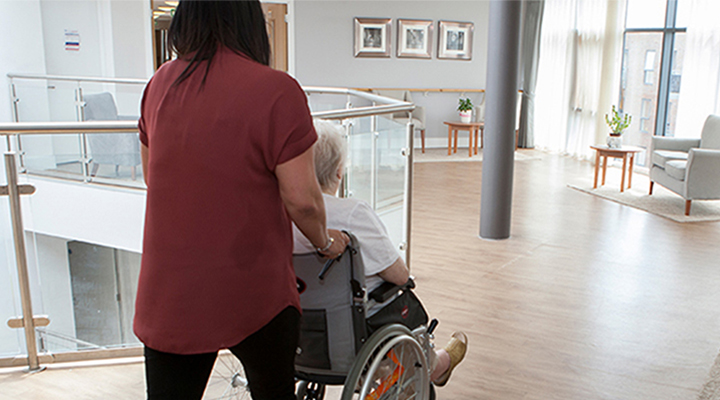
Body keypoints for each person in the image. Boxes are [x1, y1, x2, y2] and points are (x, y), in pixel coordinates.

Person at [133, 2, 348, 399]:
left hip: (171, 292)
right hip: (254, 290)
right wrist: (324, 241)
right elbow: (302, 200)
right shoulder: (276, 90)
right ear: (250, 22)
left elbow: (153, 176)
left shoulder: (160, 84)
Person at [293, 119, 468, 387]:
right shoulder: (353, 214)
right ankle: (435, 365)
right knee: (403, 295)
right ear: (339, 172)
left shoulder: (279, 216)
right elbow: (399, 275)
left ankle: (401, 368)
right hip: (352, 331)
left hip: (297, 333)